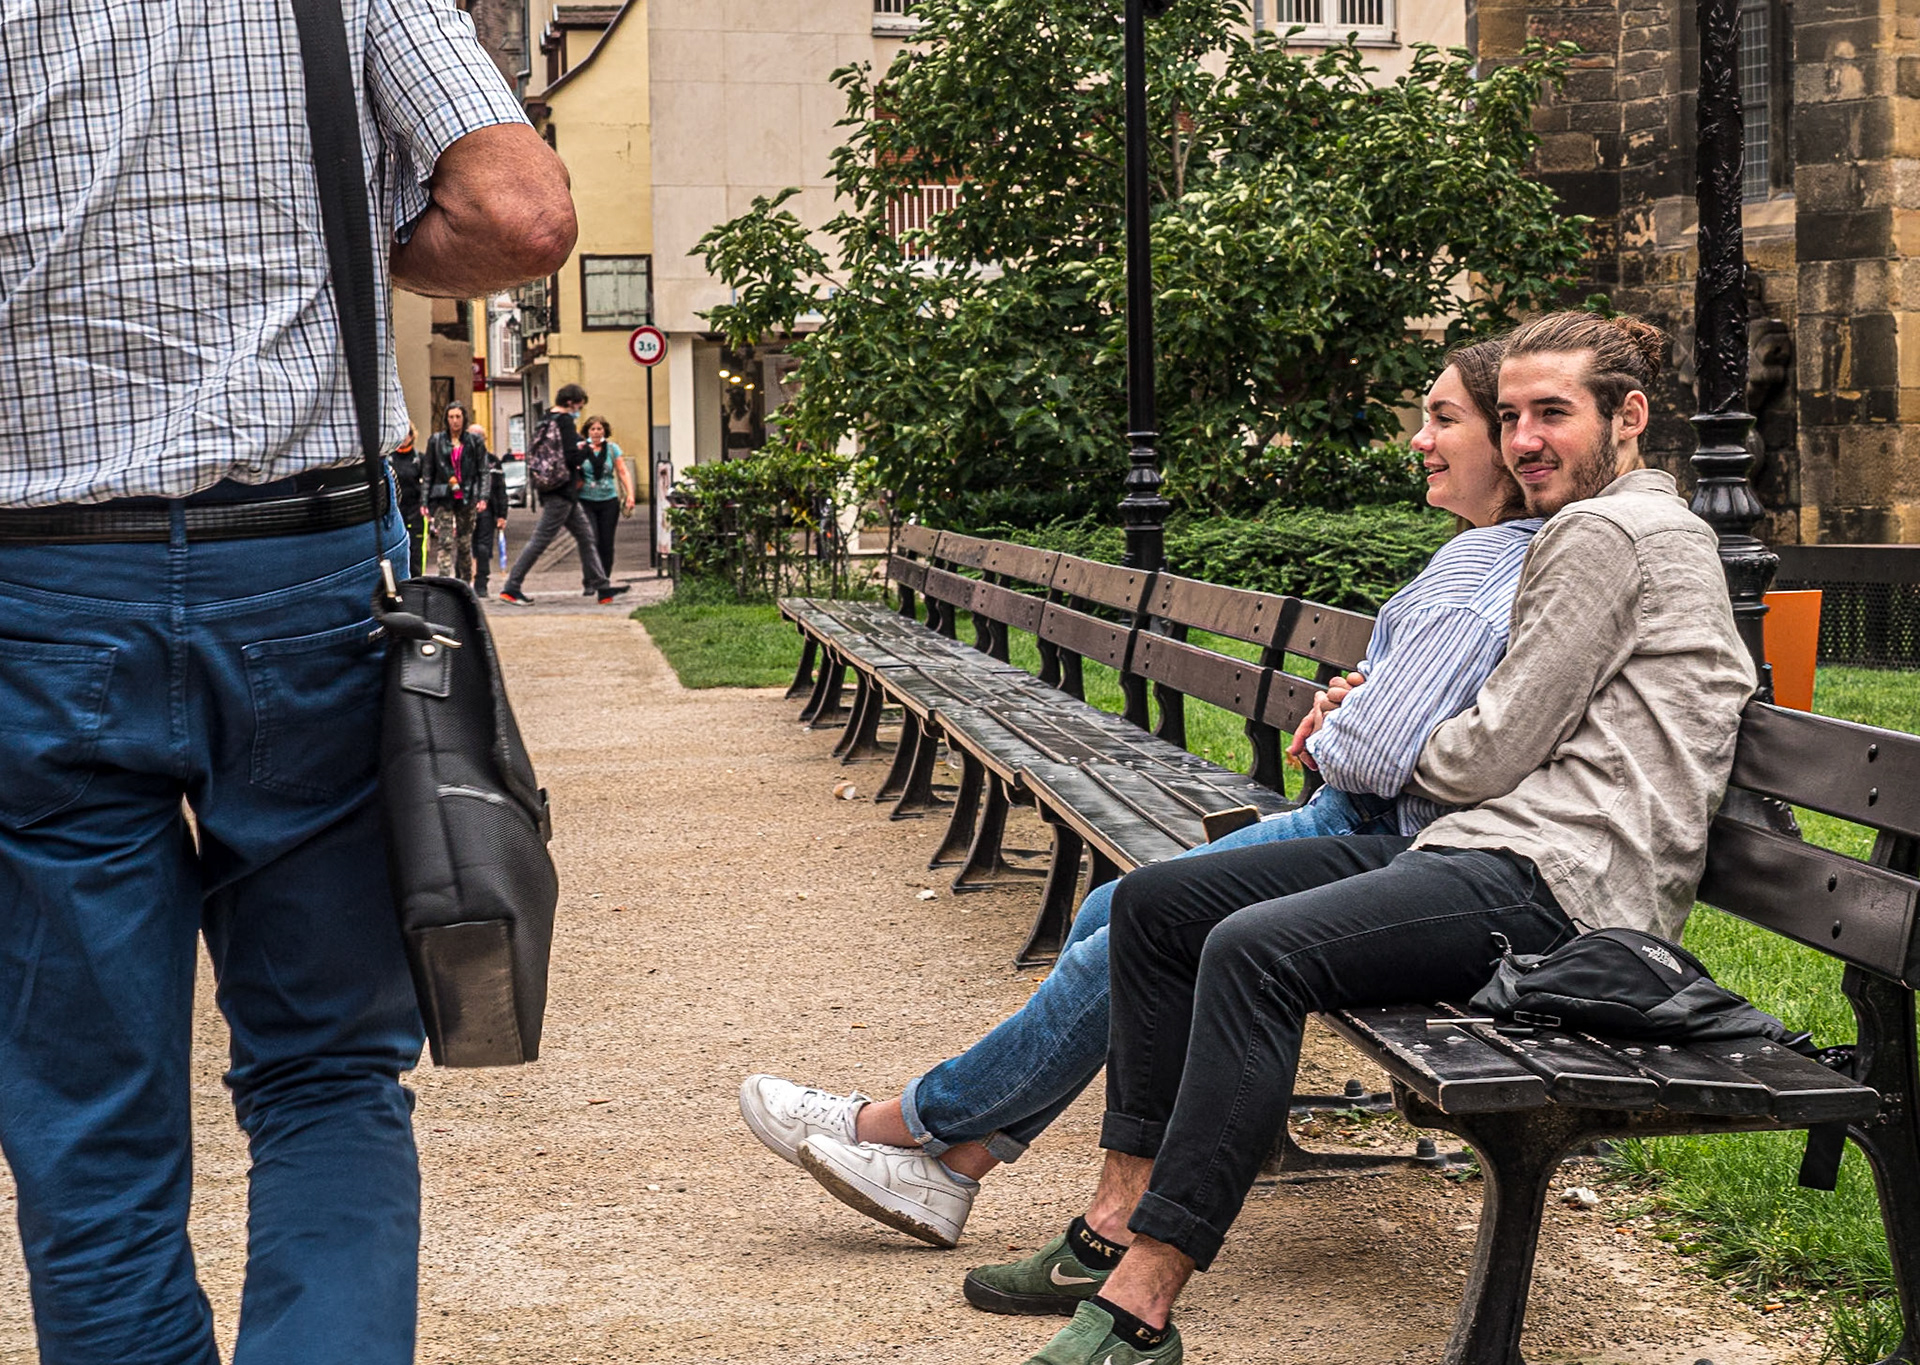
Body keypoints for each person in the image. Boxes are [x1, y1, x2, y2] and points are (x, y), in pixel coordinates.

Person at [983, 311, 1756, 1365]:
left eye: (1553, 415)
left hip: (1559, 889)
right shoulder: (1604, 527)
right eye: (1515, 415)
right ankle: (1109, 1224)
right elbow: (1507, 720)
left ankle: (1141, 1299)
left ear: (1629, 417)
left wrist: (1363, 731)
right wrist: (1388, 719)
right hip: (1483, 852)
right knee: (1160, 913)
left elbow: (1484, 752)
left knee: (1251, 954)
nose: (1526, 439)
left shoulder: (1605, 535)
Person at [0, 1, 575, 1360]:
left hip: (45, 588)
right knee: (326, 1072)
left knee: (88, 1123)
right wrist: (341, 252)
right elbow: (519, 213)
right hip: (303, 580)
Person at [740, 335, 1547, 1251]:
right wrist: (1355, 711)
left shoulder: (1492, 563)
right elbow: (1384, 722)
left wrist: (1350, 720)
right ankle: (951, 1160)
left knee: (1129, 928)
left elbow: (1378, 749)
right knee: (1110, 917)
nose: (1421, 439)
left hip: (1388, 844)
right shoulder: (1482, 555)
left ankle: (917, 1127)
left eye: (1446, 419)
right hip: (1371, 825)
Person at [497, 383, 630, 605]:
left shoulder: (546, 419)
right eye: (579, 405)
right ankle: (511, 587)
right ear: (571, 402)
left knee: (586, 536)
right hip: (562, 491)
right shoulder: (565, 422)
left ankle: (602, 587)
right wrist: (586, 449)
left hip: (552, 488)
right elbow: (572, 458)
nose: (579, 410)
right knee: (541, 539)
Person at [424, 401, 485, 580]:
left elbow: (483, 471)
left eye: (458, 417)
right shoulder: (436, 441)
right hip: (444, 496)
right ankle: (444, 583)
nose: (455, 421)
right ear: (446, 419)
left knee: (465, 545)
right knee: (445, 543)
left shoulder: (474, 442)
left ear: (464, 418)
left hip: (466, 497)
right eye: (451, 417)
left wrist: (483, 496)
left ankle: (466, 583)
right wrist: (424, 501)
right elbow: (428, 471)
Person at [576, 414, 635, 586]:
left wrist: (630, 494)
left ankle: (604, 579)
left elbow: (622, 471)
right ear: (587, 431)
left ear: (605, 431)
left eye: (599, 429)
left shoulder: (612, 449)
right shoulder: (580, 448)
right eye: (592, 429)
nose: (596, 432)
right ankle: (590, 578)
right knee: (591, 540)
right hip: (585, 500)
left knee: (606, 543)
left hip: (608, 500)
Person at [469, 423, 508, 597]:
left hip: (487, 509)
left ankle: (481, 583)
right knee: (464, 547)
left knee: (483, 548)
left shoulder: (492, 460)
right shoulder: (460, 459)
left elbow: (500, 489)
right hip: (465, 508)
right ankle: (462, 580)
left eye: (479, 436)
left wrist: (502, 515)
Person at [391, 425, 425, 576]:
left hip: (414, 509)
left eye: (407, 435)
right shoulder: (389, 459)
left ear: (412, 436)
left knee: (415, 549)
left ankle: (417, 580)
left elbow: (426, 483)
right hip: (395, 509)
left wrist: (425, 504)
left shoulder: (419, 458)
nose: (404, 438)